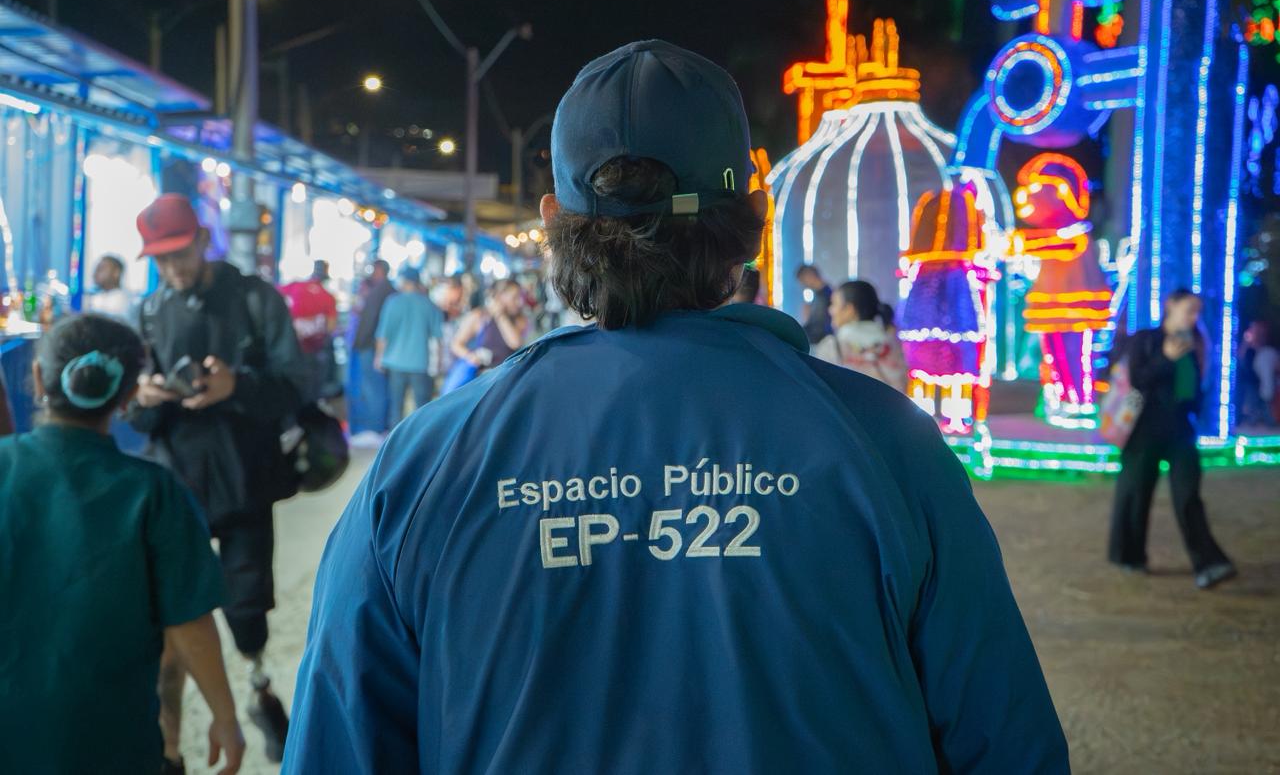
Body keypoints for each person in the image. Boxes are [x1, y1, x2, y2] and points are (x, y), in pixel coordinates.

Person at [285, 39, 1066, 774]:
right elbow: (1007, 743)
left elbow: (337, 748)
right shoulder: (890, 446)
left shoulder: (423, 465)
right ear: (753, 220)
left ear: (554, 223)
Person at [0, 314, 244, 775]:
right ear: (130, 395)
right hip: (108, 742)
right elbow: (189, 625)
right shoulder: (155, 492)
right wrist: (225, 717)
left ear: (37, 379)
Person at [127, 193, 303, 763]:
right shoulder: (149, 311)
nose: (173, 268)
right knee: (169, 619)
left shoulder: (255, 298)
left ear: (204, 239)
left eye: (180, 253)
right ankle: (169, 747)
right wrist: (144, 398)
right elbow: (135, 413)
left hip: (245, 481)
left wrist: (238, 386)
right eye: (161, 259)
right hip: (173, 486)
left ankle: (259, 687)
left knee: (247, 608)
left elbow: (296, 383)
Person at [1109, 289, 1236, 589]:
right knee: (1135, 494)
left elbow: (1194, 391)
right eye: (1189, 309)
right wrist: (1166, 358)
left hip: (1180, 432)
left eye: (1197, 311)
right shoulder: (1146, 339)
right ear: (1171, 306)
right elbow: (1138, 379)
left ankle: (1209, 563)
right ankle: (1130, 556)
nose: (1193, 316)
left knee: (1188, 496)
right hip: (1143, 431)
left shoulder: (1193, 345)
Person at [374, 266, 444, 427]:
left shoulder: (392, 302)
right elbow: (437, 339)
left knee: (396, 408)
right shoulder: (429, 304)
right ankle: (421, 440)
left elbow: (382, 335)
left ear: (405, 281)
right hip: (420, 363)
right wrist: (438, 364)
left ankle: (394, 440)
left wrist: (378, 358)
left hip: (395, 362)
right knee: (422, 409)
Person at [814, 279, 907, 391]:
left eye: (834, 304)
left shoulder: (831, 347)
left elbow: (821, 391)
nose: (830, 310)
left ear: (849, 310)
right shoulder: (893, 345)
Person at [348, 260, 395, 442]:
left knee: (373, 388)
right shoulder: (390, 291)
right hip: (380, 348)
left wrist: (358, 343)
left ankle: (374, 430)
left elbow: (369, 321)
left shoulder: (379, 292)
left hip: (370, 347)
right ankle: (378, 428)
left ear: (379, 270)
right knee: (378, 388)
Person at [281, 260, 340, 403]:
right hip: (313, 350)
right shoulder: (328, 297)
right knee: (312, 387)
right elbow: (331, 327)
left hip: (291, 346)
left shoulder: (295, 286)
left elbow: (275, 296)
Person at [448, 278, 528, 375]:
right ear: (499, 297)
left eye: (520, 297)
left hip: (509, 376)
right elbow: (456, 344)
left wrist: (500, 315)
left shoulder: (519, 319)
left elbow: (515, 343)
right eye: (514, 297)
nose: (519, 302)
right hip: (484, 376)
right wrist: (470, 356)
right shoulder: (479, 316)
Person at [1238, 320, 1278, 426]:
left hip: (1260, 380)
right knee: (1252, 403)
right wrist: (1246, 343)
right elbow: (1240, 357)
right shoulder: (1248, 348)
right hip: (1249, 380)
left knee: (1264, 402)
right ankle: (1253, 420)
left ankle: (1268, 421)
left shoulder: (1264, 349)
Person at [83, 254, 133, 322]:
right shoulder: (94, 297)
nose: (96, 273)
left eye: (101, 269)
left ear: (116, 272)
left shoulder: (125, 300)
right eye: (96, 269)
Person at [795, 263, 832, 344]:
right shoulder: (818, 296)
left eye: (803, 281)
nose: (803, 285)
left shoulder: (827, 295)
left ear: (809, 276)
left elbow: (820, 325)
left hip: (822, 341)